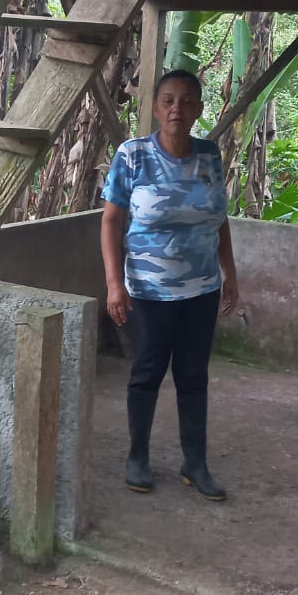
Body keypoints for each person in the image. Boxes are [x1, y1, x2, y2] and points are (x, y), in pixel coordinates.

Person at [100, 69, 239, 501]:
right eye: (168, 100)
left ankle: (194, 463)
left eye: (187, 101)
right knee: (147, 372)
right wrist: (114, 285)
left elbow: (219, 220)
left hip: (202, 289)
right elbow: (111, 222)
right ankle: (137, 457)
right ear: (156, 107)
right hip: (149, 291)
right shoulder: (133, 155)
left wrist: (230, 274)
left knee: (194, 377)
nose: (177, 108)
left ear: (198, 109)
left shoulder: (209, 155)